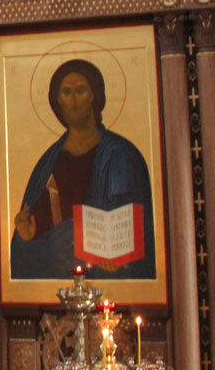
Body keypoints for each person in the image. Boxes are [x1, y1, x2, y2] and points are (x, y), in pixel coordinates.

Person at [10, 59, 155, 280]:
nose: (73, 100)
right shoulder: (48, 162)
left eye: (80, 90)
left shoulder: (121, 155)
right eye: (66, 92)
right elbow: (28, 245)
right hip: (55, 280)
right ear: (58, 100)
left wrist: (117, 255)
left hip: (109, 281)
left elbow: (138, 228)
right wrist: (25, 237)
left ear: (93, 95)